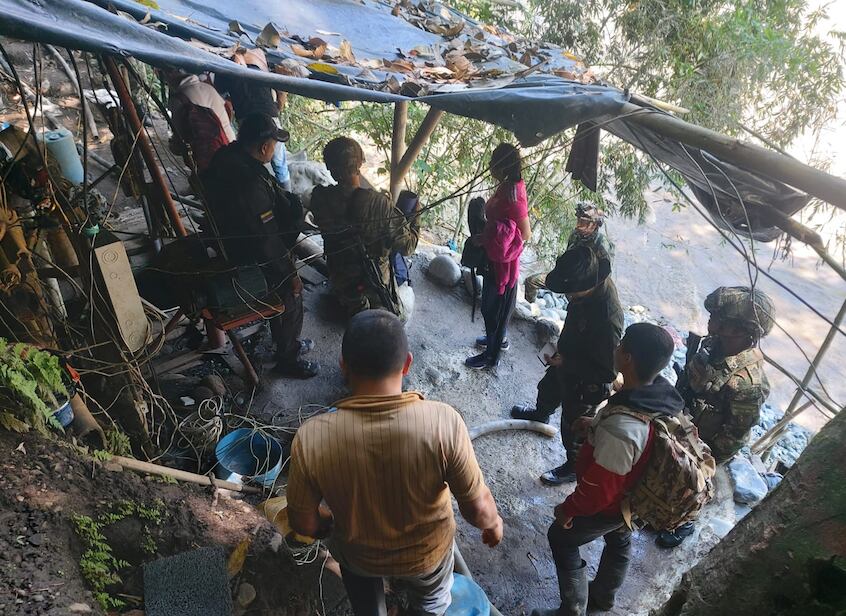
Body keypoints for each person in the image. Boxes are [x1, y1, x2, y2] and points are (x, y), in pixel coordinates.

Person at [287, 310, 504, 616]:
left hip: (358, 557)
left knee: (366, 602)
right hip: (427, 556)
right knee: (431, 604)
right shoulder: (443, 422)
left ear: (343, 366)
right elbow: (478, 509)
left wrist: (330, 526)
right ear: (407, 365)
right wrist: (493, 524)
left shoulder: (311, 438)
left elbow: (303, 523)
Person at [531, 323, 682, 616]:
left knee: (561, 537)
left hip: (614, 503)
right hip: (636, 494)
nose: (615, 348)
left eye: (620, 344)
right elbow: (636, 438)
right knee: (620, 537)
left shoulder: (622, 430)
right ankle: (602, 598)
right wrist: (596, 424)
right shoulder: (656, 394)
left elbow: (599, 492)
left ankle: (572, 608)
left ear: (628, 358)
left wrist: (568, 509)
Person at [201, 113, 318, 378]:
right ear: (264, 147)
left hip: (229, 237)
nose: (275, 150)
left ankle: (286, 340)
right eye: (274, 145)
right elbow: (266, 240)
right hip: (245, 254)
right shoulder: (250, 185)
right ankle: (289, 355)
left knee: (286, 278)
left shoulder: (225, 157)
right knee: (292, 293)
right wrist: (289, 273)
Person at [657, 285, 774, 548]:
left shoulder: (748, 383)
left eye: (720, 317)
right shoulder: (714, 345)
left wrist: (704, 461)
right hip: (682, 424)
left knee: (691, 488)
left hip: (705, 444)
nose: (712, 320)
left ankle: (685, 520)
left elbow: (735, 436)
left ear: (742, 331)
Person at [512, 246, 624, 486]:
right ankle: (541, 415)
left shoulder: (607, 321)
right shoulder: (589, 270)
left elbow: (607, 372)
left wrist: (568, 362)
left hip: (588, 380)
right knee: (548, 388)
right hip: (568, 357)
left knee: (574, 427)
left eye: (573, 292)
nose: (569, 296)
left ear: (588, 287)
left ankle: (574, 466)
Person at [310, 137, 420, 318]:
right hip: (373, 286)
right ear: (360, 163)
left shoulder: (319, 198)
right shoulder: (379, 204)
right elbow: (407, 247)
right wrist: (415, 217)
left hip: (341, 280)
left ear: (329, 167)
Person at [465, 143, 531, 369]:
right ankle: (497, 340)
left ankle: (491, 357)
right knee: (495, 307)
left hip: (503, 264)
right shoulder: (507, 186)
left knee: (493, 308)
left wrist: (494, 238)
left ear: (502, 166)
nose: (490, 166)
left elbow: (525, 233)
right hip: (494, 255)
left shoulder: (514, 196)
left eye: (493, 162)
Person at [214, 48, 291, 189]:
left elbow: (220, 91)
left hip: (249, 118)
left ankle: (280, 192)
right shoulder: (260, 67)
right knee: (278, 161)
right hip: (264, 116)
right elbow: (279, 97)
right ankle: (286, 192)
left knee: (248, 154)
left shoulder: (228, 69)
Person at [525, 202, 612, 303]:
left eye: (583, 222)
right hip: (568, 278)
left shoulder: (601, 244)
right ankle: (530, 309)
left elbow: (605, 274)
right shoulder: (575, 235)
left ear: (594, 225)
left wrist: (585, 290)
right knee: (532, 281)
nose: (579, 225)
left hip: (587, 287)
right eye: (578, 221)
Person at [163, 69, 236, 176]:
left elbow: (180, 135)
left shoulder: (178, 99)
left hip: (208, 152)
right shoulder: (209, 88)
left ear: (169, 75)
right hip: (229, 141)